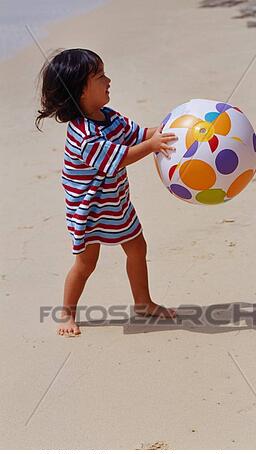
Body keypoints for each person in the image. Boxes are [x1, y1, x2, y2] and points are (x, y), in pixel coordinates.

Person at [35, 48, 178, 337]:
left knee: (138, 247)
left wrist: (172, 129)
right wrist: (151, 147)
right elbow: (119, 158)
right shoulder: (83, 135)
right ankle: (67, 313)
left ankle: (143, 302)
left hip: (116, 202)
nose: (108, 80)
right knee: (86, 263)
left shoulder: (109, 116)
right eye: (100, 76)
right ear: (80, 91)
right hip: (89, 210)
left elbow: (139, 134)